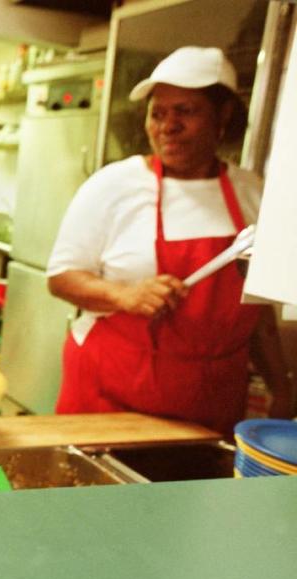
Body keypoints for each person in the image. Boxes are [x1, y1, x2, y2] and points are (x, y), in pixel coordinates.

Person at [47, 46, 293, 435]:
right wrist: (124, 296)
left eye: (186, 111)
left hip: (209, 406)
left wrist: (282, 388)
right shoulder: (115, 185)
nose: (168, 126)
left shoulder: (253, 194)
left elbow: (258, 311)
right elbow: (61, 277)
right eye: (158, 113)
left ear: (223, 115)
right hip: (113, 397)